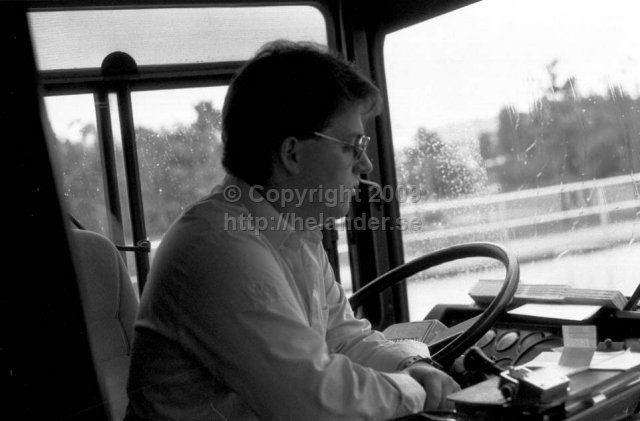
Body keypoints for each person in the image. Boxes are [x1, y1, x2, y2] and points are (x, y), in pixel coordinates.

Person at [125, 40, 460, 421]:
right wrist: (418, 390)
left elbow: (344, 338)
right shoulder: (219, 246)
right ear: (292, 154)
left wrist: (411, 366)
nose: (366, 164)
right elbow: (312, 400)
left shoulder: (294, 231)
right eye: (353, 146)